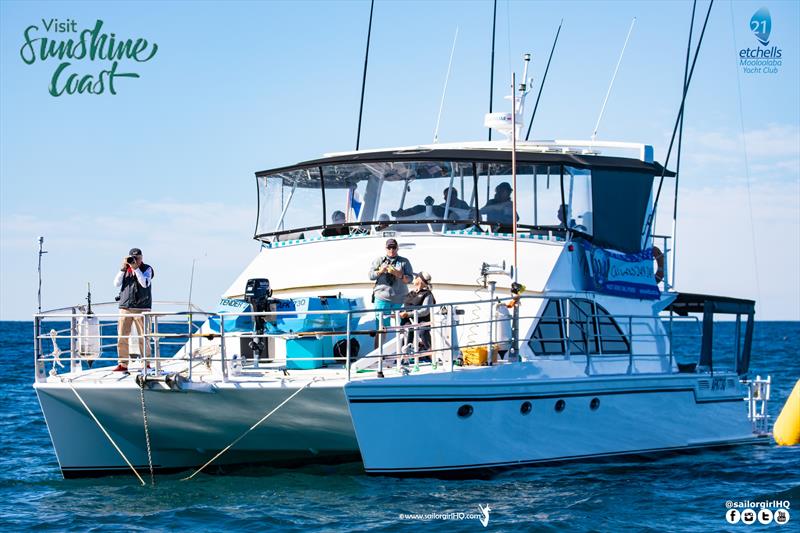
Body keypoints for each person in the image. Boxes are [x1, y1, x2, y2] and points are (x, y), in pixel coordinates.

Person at [113, 248, 154, 372]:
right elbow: (116, 283)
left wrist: (136, 268)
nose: (135, 260)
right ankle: (123, 364)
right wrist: (123, 268)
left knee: (144, 336)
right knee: (122, 336)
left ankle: (146, 363)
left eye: (137, 257)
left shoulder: (147, 269)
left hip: (142, 308)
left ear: (142, 258)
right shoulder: (125, 270)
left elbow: (144, 283)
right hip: (125, 307)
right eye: (133, 258)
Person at [368, 238, 413, 346]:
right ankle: (378, 356)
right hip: (382, 298)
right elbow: (370, 276)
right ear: (386, 248)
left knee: (403, 327)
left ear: (397, 248)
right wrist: (380, 271)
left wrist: (400, 275)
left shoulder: (404, 261)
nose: (391, 250)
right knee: (381, 327)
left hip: (400, 298)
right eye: (389, 247)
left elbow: (410, 279)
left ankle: (404, 353)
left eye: (393, 247)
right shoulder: (379, 260)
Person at [400, 271, 436, 352]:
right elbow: (404, 306)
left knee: (422, 331)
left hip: (422, 321)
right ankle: (404, 357)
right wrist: (397, 313)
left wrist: (408, 314)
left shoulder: (427, 294)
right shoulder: (411, 293)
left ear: (419, 280)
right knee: (406, 330)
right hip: (408, 321)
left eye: (416, 277)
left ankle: (431, 355)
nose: (414, 278)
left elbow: (425, 311)